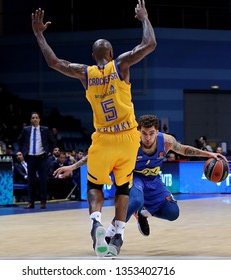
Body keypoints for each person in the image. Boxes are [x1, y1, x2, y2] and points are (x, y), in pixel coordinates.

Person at [31, 0, 156, 257]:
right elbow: (149, 44)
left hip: (103, 139)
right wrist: (144, 18)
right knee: (123, 188)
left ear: (93, 56)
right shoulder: (120, 65)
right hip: (128, 139)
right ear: (110, 54)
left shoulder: (85, 73)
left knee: (94, 186)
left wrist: (39, 34)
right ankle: (118, 235)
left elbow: (54, 62)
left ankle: (96, 222)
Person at [54, 115, 228, 254]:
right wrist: (73, 166)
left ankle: (142, 214)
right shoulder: (129, 140)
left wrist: (208, 154)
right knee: (135, 200)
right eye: (144, 133)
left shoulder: (166, 141)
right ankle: (110, 234)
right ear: (139, 131)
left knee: (173, 213)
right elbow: (99, 154)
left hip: (154, 180)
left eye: (151, 133)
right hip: (132, 177)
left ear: (157, 131)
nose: (147, 137)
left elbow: (183, 149)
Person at [18, 112, 56, 209]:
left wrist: (49, 152)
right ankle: (31, 202)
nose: (35, 119)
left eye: (36, 118)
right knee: (31, 181)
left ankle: (43, 202)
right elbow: (20, 140)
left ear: (39, 119)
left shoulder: (45, 130)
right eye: (33, 118)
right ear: (31, 120)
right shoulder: (26, 130)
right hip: (30, 158)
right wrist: (22, 151)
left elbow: (53, 141)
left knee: (43, 180)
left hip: (42, 158)